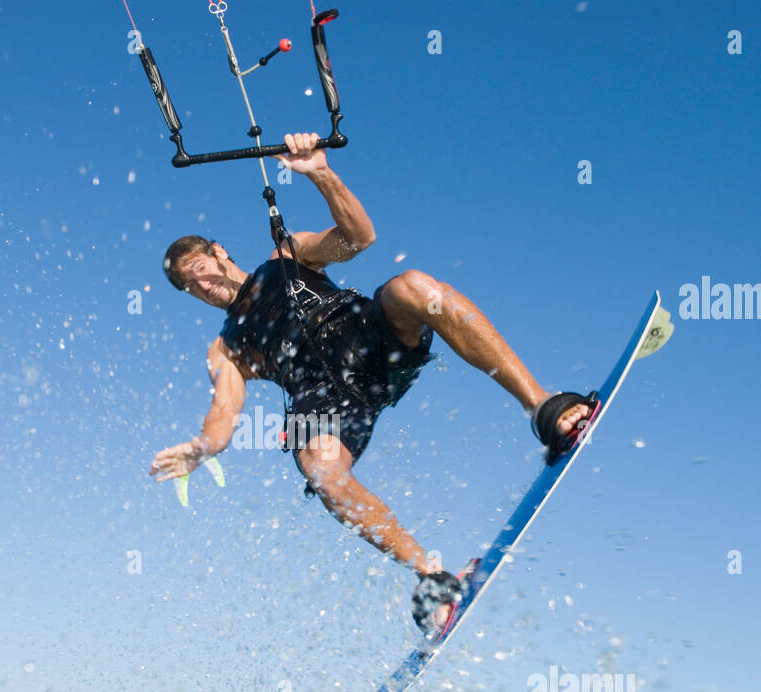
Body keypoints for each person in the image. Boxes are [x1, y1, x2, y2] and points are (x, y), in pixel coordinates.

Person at [149, 132, 596, 633]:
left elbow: (359, 238)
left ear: (218, 251)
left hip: (366, 336)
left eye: (198, 269)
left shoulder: (286, 255)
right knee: (318, 468)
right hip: (321, 398)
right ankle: (432, 577)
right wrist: (202, 449)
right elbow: (224, 414)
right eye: (188, 285)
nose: (201, 284)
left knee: (414, 287)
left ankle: (544, 408)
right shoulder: (225, 346)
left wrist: (319, 171)